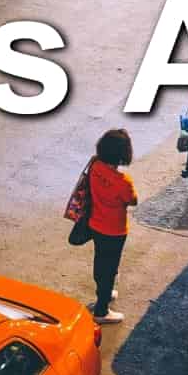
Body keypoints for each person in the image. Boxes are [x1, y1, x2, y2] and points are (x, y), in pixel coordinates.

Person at [77, 128, 138, 323]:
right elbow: (133, 200)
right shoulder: (123, 182)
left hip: (95, 223)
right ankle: (102, 310)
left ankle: (102, 293)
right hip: (115, 230)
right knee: (110, 268)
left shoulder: (94, 166)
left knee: (100, 261)